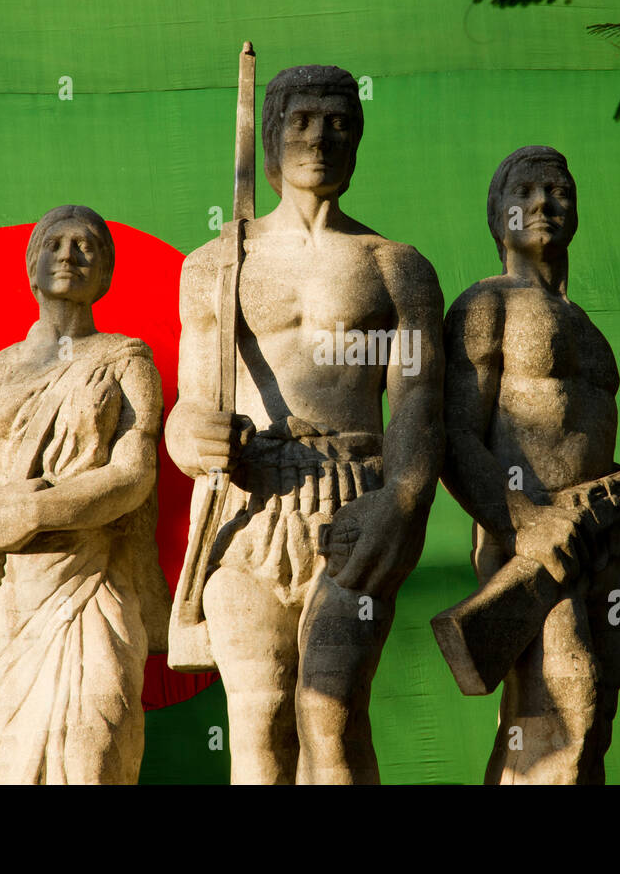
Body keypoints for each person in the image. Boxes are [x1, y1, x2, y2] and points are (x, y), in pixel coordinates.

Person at [165, 65, 444, 784]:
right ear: (269, 138)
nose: (320, 136)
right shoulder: (214, 266)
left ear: (358, 140)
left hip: (354, 499)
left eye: (338, 122)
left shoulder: (398, 268)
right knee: (258, 719)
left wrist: (402, 502)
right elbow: (190, 407)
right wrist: (191, 435)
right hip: (246, 503)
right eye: (301, 121)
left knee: (333, 709)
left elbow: (417, 403)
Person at [442, 146, 620, 784]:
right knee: (566, 705)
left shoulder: (586, 327)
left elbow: (587, 445)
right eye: (523, 191)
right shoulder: (484, 306)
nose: (543, 203)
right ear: (498, 216)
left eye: (559, 191)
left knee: (593, 720)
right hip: (531, 540)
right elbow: (454, 436)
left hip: (606, 541)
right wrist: (523, 521)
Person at [0, 204, 169, 784]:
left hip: (92, 586)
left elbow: (133, 475)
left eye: (86, 245)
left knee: (95, 743)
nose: (68, 254)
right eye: (54, 244)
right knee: (5, 763)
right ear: (32, 269)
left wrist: (38, 508)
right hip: (8, 597)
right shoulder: (0, 369)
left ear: (106, 276)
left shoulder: (127, 359)